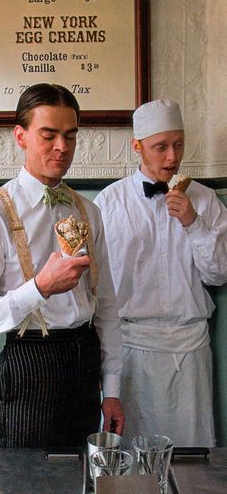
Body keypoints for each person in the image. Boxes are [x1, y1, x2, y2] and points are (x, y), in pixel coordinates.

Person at [0, 83, 124, 448]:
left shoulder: (89, 211)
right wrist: (40, 287)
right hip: (29, 364)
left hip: (85, 361)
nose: (62, 147)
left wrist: (111, 390)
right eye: (48, 135)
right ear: (21, 136)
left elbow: (107, 307)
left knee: (81, 477)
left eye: (70, 136)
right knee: (25, 482)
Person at [94, 99, 227, 447]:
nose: (172, 157)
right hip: (130, 350)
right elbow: (96, 286)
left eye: (178, 144)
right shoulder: (108, 204)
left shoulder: (206, 200)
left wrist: (193, 224)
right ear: (137, 146)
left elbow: (218, 275)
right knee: (129, 456)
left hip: (190, 349)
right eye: (161, 147)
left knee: (191, 454)